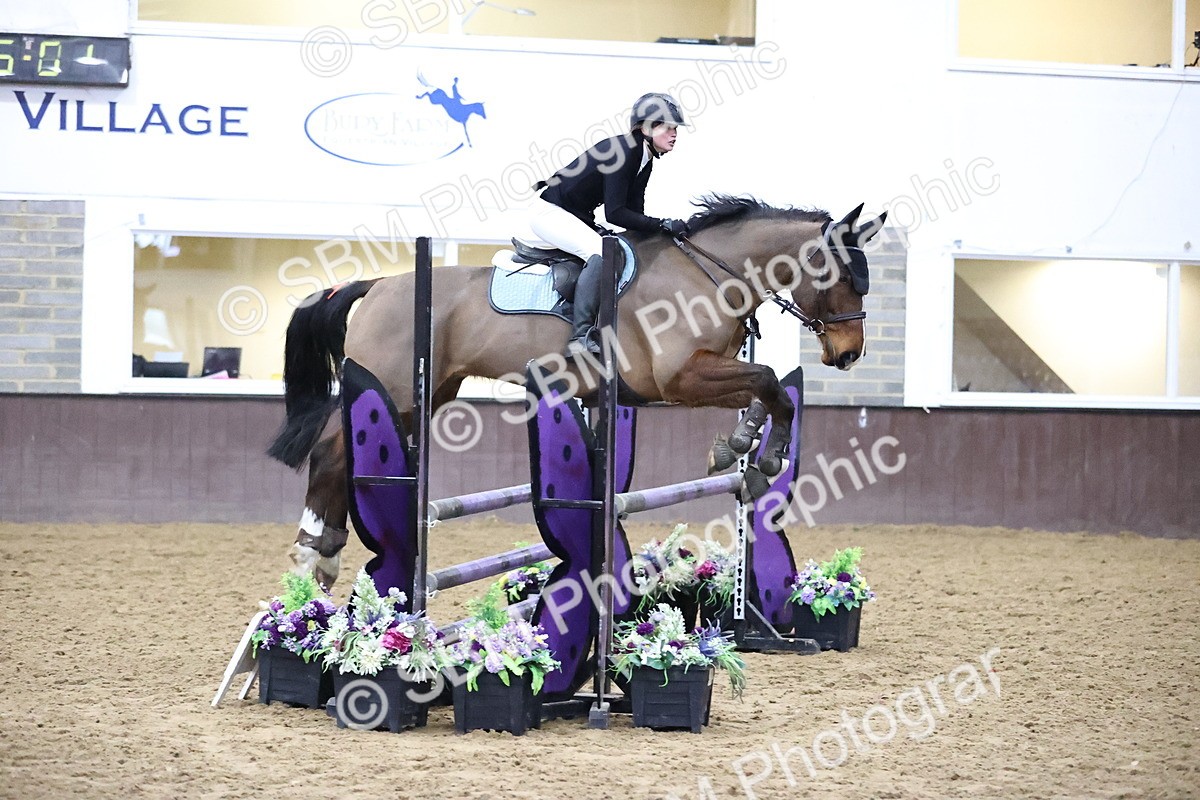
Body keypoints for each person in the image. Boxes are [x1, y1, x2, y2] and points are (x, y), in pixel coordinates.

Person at [528, 92, 690, 357]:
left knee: (622, 248)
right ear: (647, 128)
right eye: (668, 128)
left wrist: (663, 234)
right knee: (601, 254)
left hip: (572, 214)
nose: (674, 134)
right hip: (549, 212)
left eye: (676, 129)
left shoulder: (644, 159)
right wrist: (662, 224)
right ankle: (580, 337)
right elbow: (615, 214)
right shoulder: (625, 152)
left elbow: (635, 215)